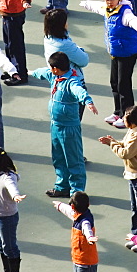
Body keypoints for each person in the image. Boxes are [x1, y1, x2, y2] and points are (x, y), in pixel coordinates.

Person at [80, 0, 137, 124]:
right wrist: (85, 3)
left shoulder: (125, 12)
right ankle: (118, 112)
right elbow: (96, 6)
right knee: (114, 83)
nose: (109, 2)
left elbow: (134, 22)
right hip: (115, 52)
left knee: (123, 85)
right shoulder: (107, 9)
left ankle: (129, 116)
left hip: (127, 53)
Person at [29, 50, 98, 194]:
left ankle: (77, 192)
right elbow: (42, 72)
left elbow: (79, 90)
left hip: (69, 128)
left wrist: (87, 101)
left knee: (74, 160)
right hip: (56, 125)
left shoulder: (71, 81)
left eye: (51, 68)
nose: (50, 70)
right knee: (58, 158)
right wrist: (30, 72)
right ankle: (62, 186)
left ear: (56, 69)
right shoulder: (54, 76)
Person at [98, 104, 137, 244]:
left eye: (125, 118)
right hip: (133, 176)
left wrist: (112, 144)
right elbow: (125, 144)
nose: (122, 120)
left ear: (132, 121)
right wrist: (113, 142)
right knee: (135, 209)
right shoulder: (133, 131)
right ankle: (136, 237)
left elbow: (126, 153)